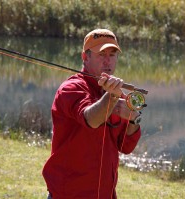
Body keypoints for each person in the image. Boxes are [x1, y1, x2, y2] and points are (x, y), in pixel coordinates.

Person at [42, 29, 142, 199]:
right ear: (85, 57)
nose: (107, 61)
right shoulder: (71, 89)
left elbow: (126, 147)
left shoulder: (116, 93)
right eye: (101, 54)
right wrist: (111, 97)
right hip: (68, 194)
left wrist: (134, 119)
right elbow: (91, 119)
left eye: (112, 54)